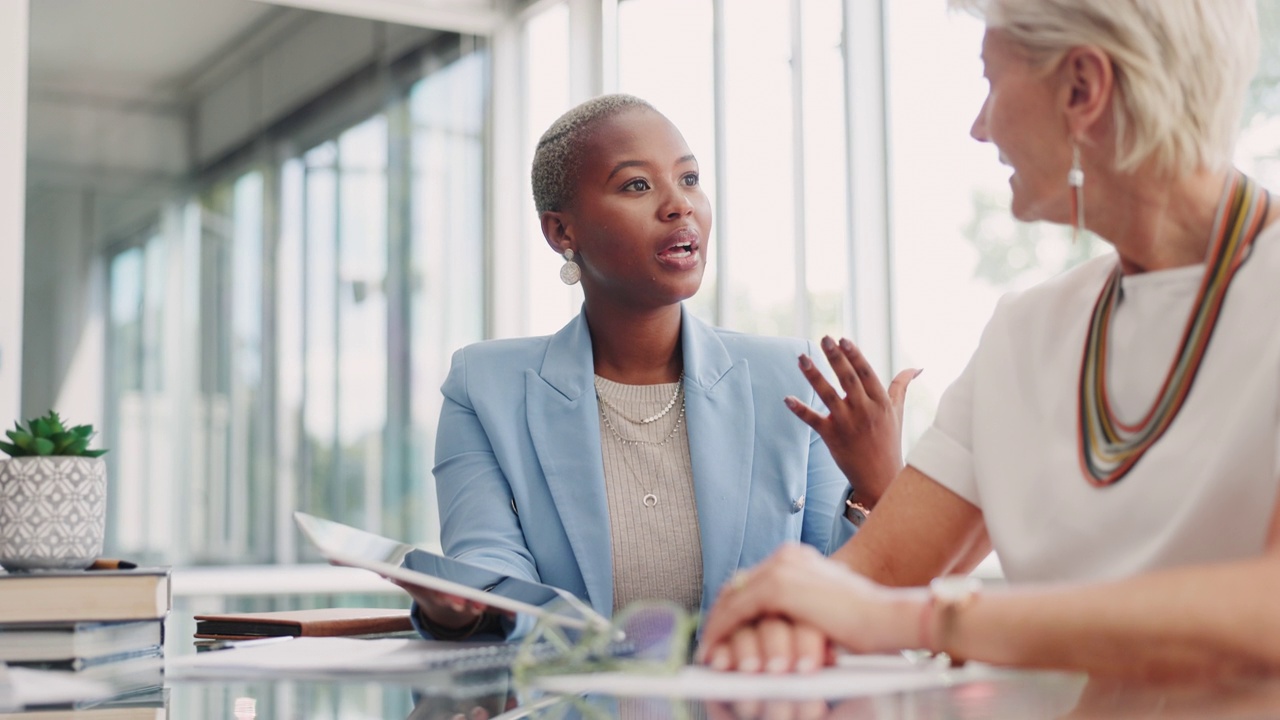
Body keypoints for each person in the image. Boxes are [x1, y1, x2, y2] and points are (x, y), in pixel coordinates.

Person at [698, 0, 1280, 680]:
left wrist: (920, 619)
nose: (979, 127)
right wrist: (783, 617)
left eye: (991, 81)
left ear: (1082, 89)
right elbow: (871, 578)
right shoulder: (1024, 333)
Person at [402, 94, 916, 642]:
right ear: (561, 232)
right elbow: (490, 560)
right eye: (637, 186)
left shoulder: (790, 379)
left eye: (690, 178)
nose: (680, 205)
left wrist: (878, 484)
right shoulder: (483, 388)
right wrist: (465, 603)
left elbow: (840, 590)